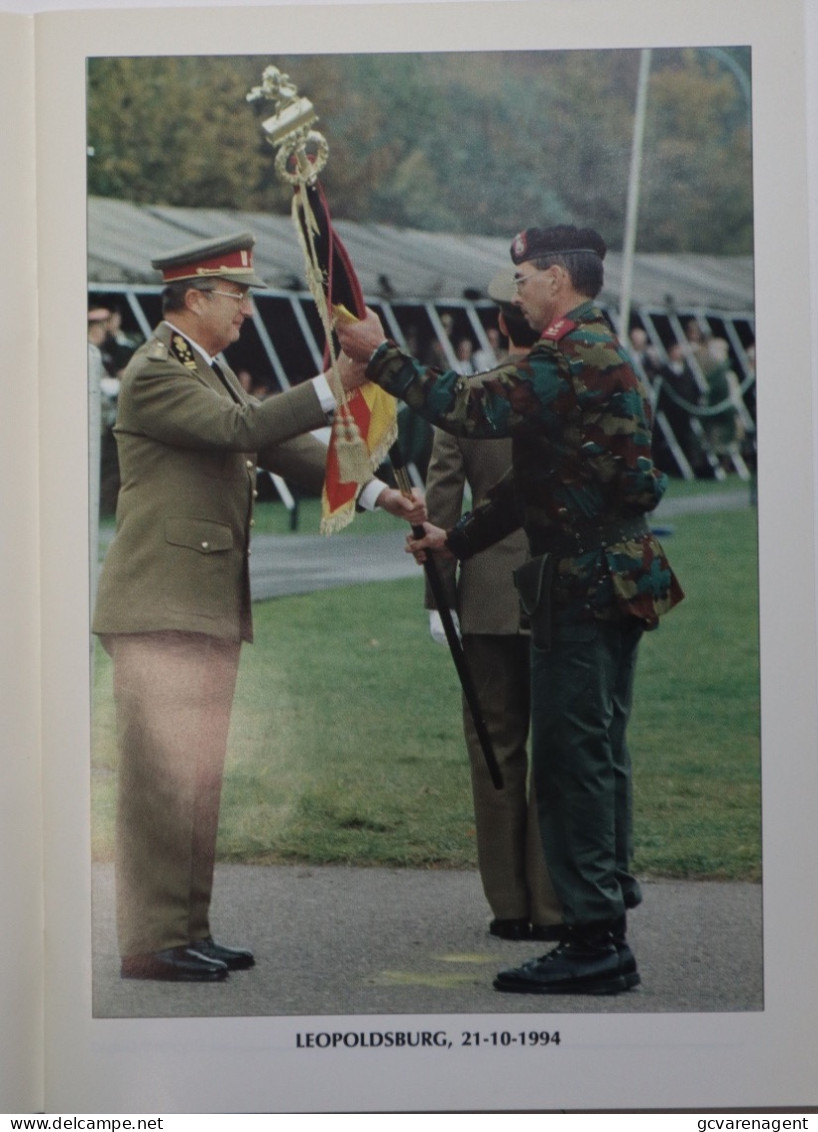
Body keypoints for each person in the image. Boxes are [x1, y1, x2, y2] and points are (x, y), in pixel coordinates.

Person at [337, 224, 684, 996]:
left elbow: (470, 406)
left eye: (523, 275)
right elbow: (532, 484)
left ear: (557, 277)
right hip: (605, 572)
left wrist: (381, 354)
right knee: (592, 752)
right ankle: (602, 918)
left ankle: (594, 938)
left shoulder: (571, 354)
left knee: (571, 761)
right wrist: (457, 539)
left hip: (582, 579)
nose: (516, 287)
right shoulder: (590, 351)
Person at [93, 231, 422, 983]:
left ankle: (186, 929)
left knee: (198, 776)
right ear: (194, 298)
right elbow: (240, 432)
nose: (246, 311)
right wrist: (331, 383)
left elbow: (277, 449)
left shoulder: (203, 370)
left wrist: (374, 492)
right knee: (157, 784)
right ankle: (150, 940)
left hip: (198, 602)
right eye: (236, 297)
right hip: (161, 604)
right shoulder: (157, 371)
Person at [424, 268, 561, 942]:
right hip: (559, 583)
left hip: (482, 586)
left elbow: (441, 501)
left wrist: (437, 598)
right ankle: (555, 902)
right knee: (562, 750)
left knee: (494, 748)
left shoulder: (470, 398)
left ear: (498, 326)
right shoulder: (573, 386)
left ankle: (509, 904)